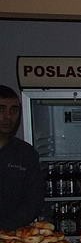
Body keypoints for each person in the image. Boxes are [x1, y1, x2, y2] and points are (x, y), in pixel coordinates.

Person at [0, 84, 45, 229]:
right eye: (1, 109)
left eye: (13, 110)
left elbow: (34, 201)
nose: (8, 117)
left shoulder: (26, 154)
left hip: (14, 235)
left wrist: (7, 229)